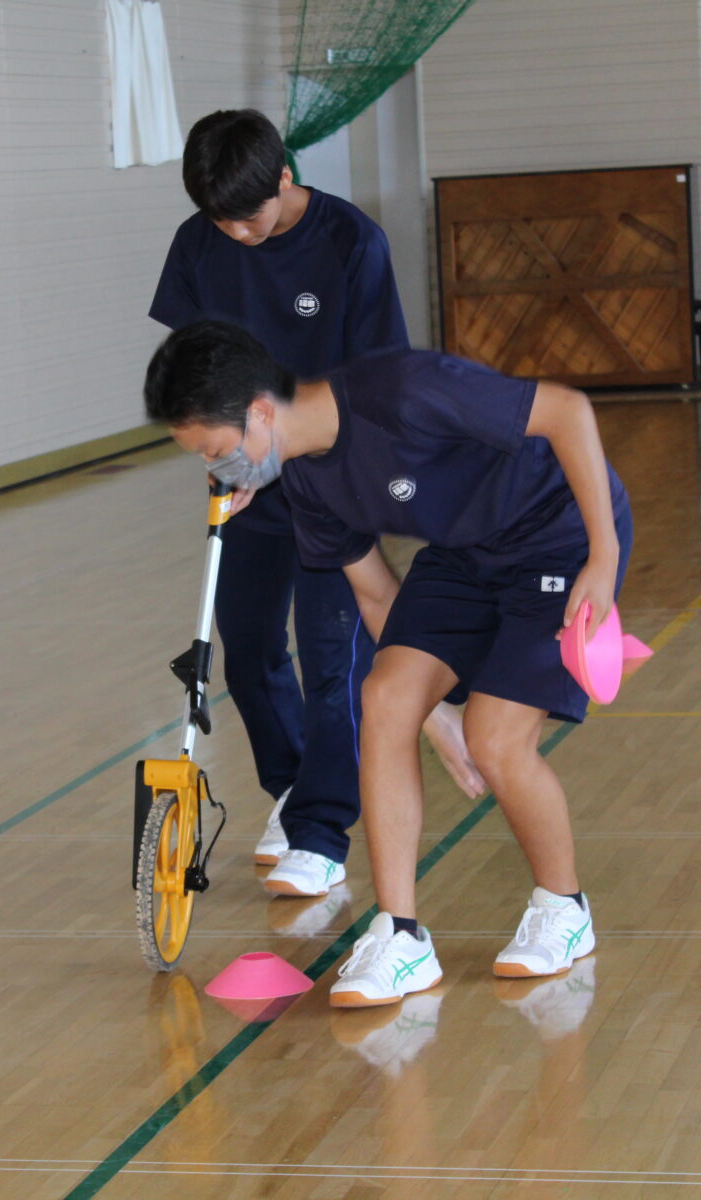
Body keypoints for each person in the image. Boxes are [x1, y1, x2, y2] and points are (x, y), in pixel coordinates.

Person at [143, 321, 631, 1007]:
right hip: (464, 557)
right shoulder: (307, 484)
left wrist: (603, 558)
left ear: (259, 413)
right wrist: (432, 717)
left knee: (496, 736)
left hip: (557, 537)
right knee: (385, 697)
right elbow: (375, 592)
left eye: (216, 451)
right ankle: (399, 934)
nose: (217, 473)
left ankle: (564, 909)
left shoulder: (405, 392)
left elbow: (566, 412)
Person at [149, 109, 480, 900]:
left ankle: (323, 832)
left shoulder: (351, 243)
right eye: (217, 218)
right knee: (249, 645)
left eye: (248, 216)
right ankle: (296, 788)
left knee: (335, 661)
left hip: (330, 474)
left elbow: (378, 377)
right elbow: (194, 358)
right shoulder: (201, 242)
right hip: (246, 478)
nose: (233, 232)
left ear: (286, 179)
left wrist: (319, 453)